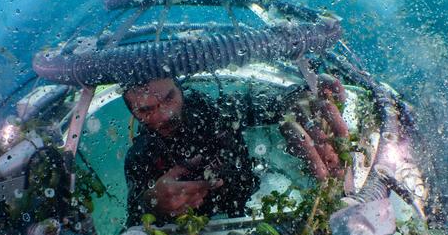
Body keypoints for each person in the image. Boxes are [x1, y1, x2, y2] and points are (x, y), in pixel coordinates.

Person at [122, 74, 348, 226]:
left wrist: (300, 95)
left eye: (169, 98)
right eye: (147, 110)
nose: (166, 114)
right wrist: (152, 203)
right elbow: (132, 223)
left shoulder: (216, 113)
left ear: (180, 90)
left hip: (250, 208)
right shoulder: (140, 158)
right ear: (134, 115)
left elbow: (269, 103)